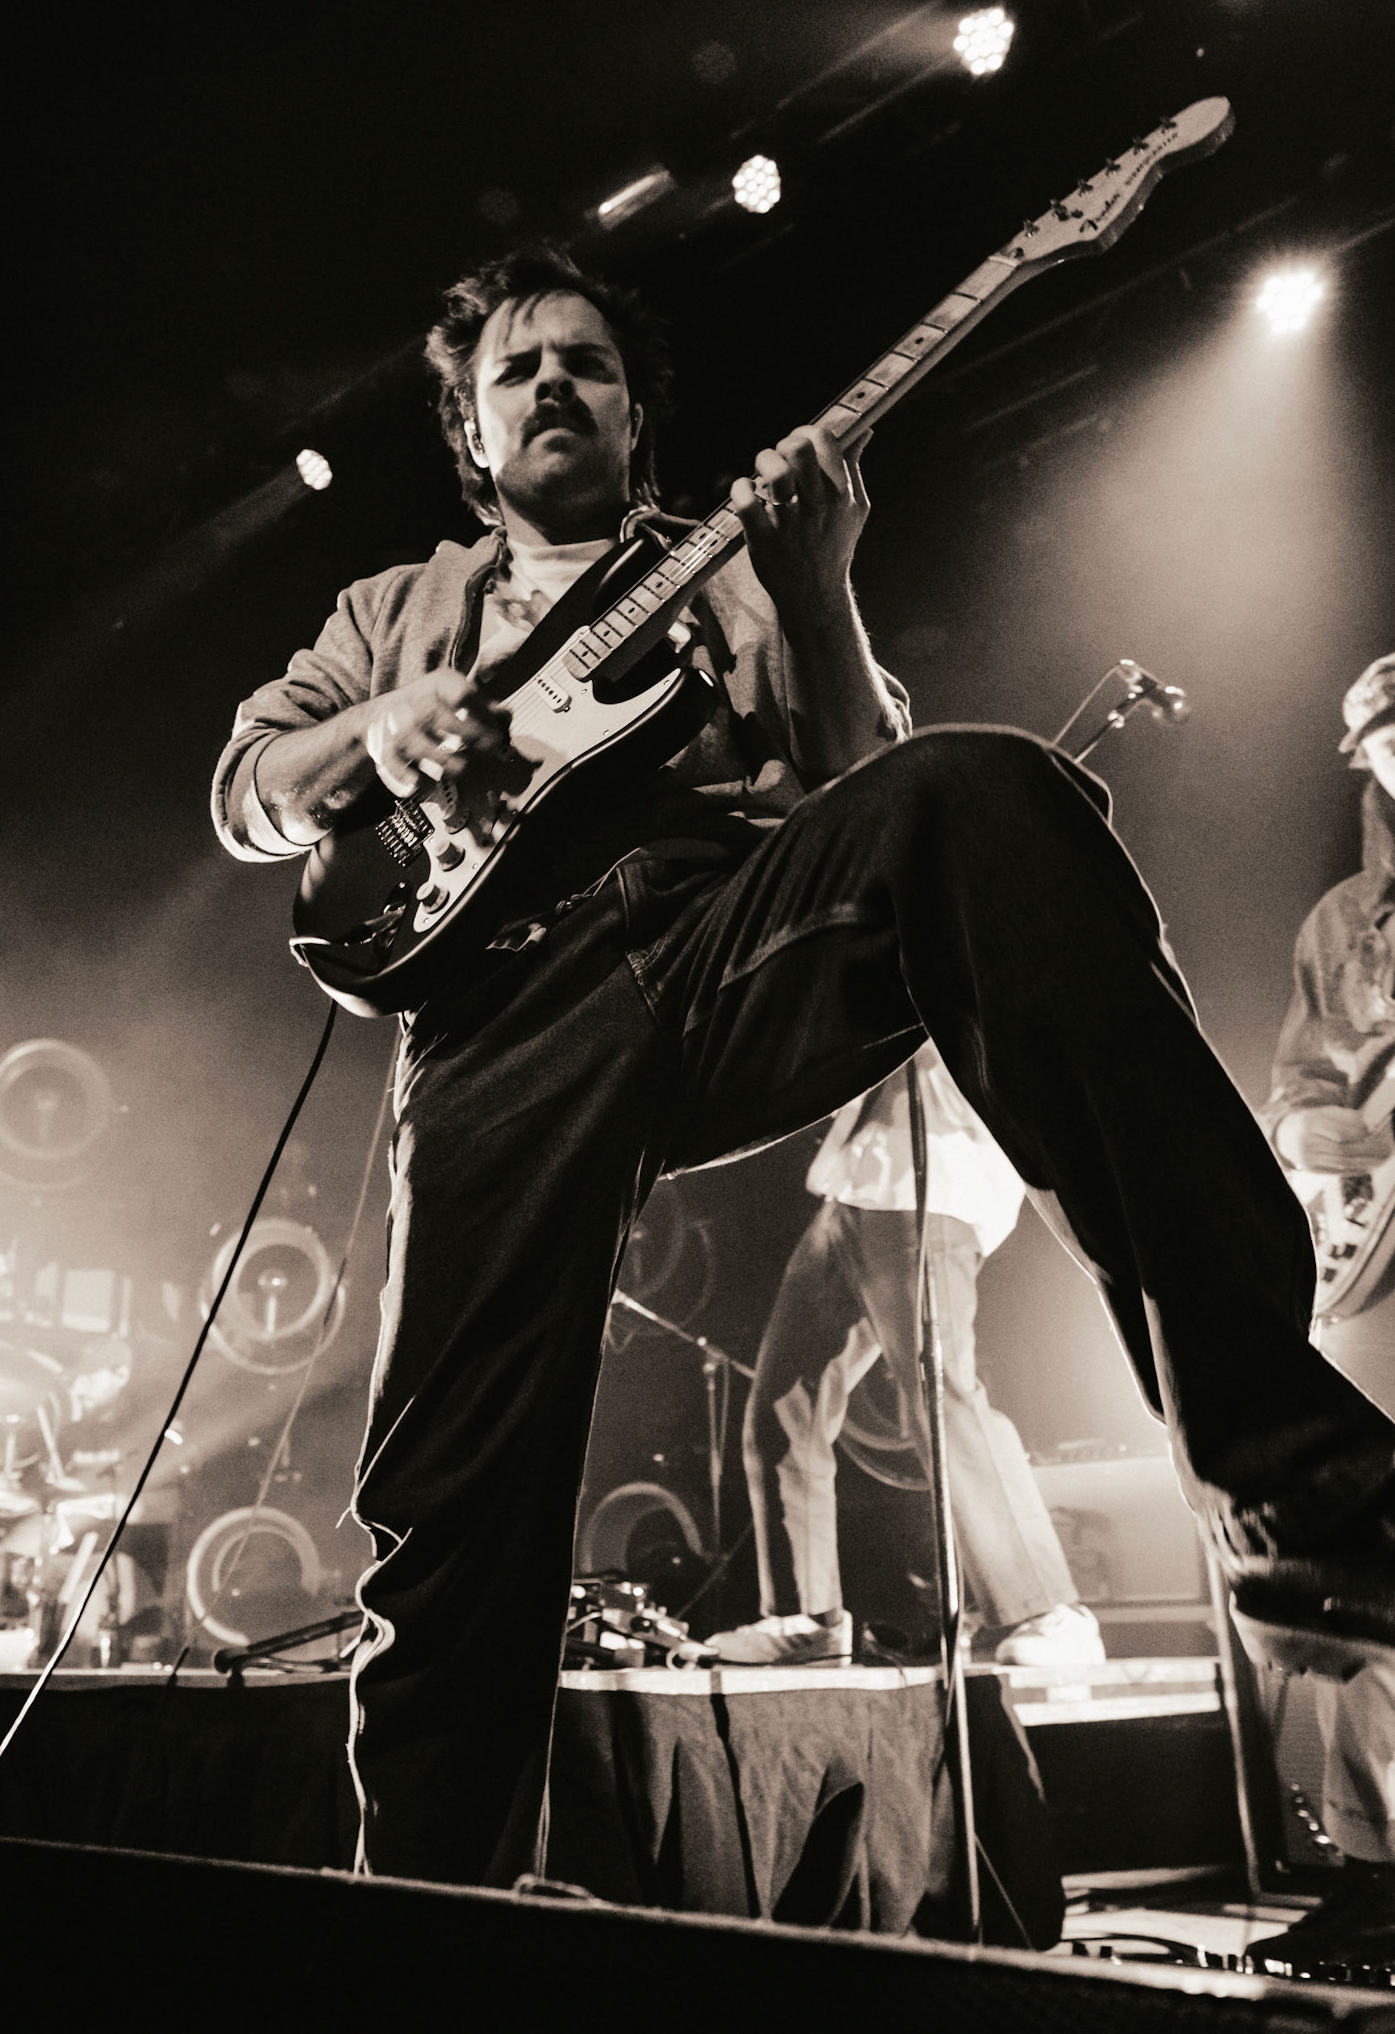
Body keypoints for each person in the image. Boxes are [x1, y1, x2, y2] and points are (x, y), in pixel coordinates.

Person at [212, 245, 1395, 1890]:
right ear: (470, 434)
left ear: (635, 418)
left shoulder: (722, 579)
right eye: (516, 369)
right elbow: (250, 790)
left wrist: (820, 581)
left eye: (587, 364)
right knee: (452, 1500)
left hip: (708, 954)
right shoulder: (393, 609)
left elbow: (866, 792)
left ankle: (1285, 1476)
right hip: (497, 1023)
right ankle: (429, 1915)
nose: (553, 384)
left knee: (984, 796)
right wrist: (382, 730)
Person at [707, 1041, 1103, 1669]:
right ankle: (807, 1619)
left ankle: (1048, 1609)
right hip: (850, 1191)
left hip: (933, 1182)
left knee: (939, 1398)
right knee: (783, 1410)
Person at [1256, 654, 1395, 1970]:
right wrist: (1310, 1130)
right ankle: (1374, 1870)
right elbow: (1297, 1078)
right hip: (1370, 1275)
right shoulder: (1344, 917)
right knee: (1364, 1571)